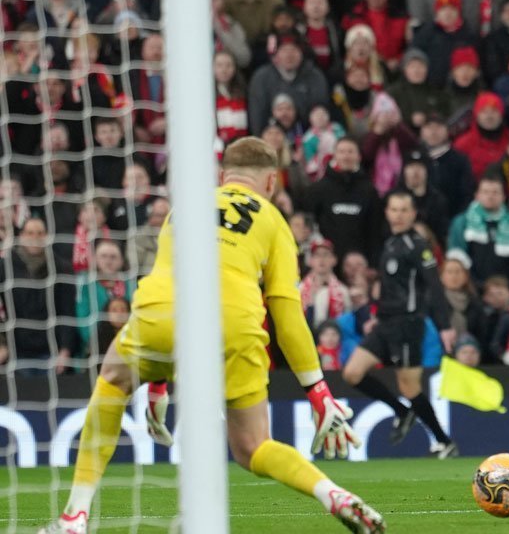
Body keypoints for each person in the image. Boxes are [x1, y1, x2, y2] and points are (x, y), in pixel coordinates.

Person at [43, 138, 382, 534]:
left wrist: (155, 380)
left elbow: (168, 287)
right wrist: (319, 392)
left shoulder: (181, 209)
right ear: (271, 181)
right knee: (253, 446)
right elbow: (288, 315)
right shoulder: (274, 221)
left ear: (223, 177)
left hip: (162, 314)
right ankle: (331, 494)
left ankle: (74, 517)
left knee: (113, 382)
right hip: (235, 324)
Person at [340, 191, 457, 458]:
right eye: (394, 209)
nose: (399, 215)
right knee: (352, 373)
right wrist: (375, 316)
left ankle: (443, 441)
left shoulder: (418, 246)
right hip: (385, 324)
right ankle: (402, 412)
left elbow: (434, 286)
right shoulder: (391, 243)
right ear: (387, 213)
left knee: (409, 387)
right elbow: (391, 288)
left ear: (413, 213)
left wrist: (444, 325)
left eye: (405, 210)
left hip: (408, 324)